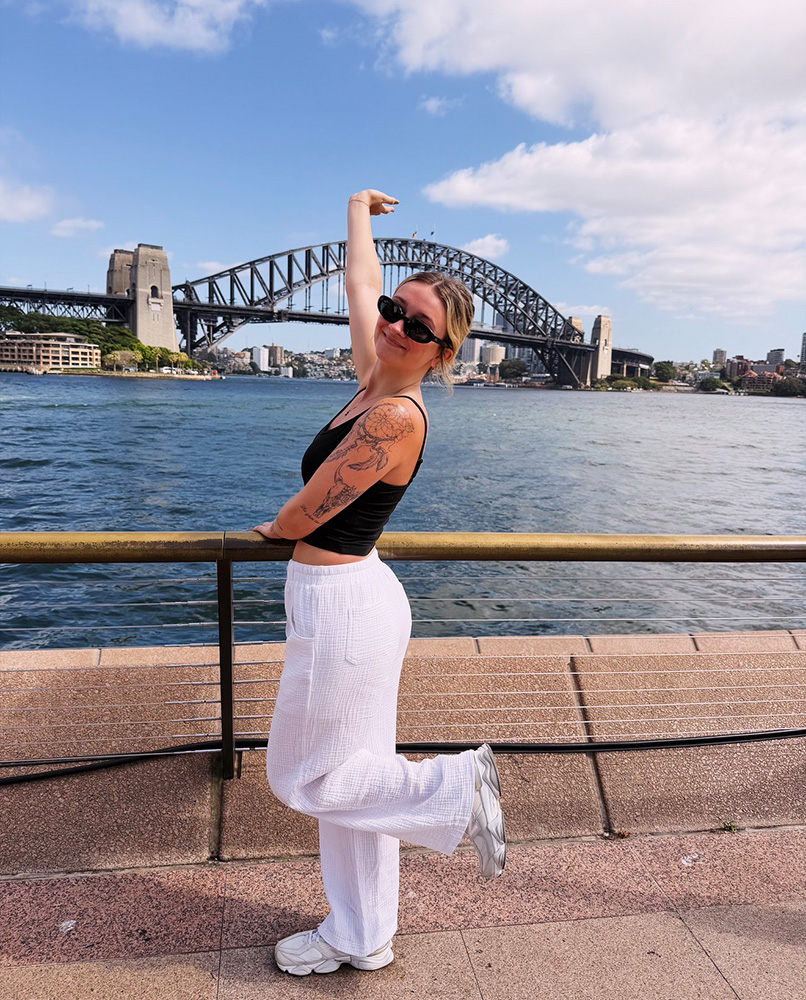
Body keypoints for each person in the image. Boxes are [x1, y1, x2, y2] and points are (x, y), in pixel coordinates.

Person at [252, 188, 506, 978]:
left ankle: (457, 790)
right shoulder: (373, 375)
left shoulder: (396, 416)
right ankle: (362, 936)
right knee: (352, 794)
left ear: (441, 352)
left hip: (343, 611)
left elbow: (302, 515)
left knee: (307, 774)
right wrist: (356, 209)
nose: (395, 324)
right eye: (397, 311)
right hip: (349, 599)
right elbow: (361, 281)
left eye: (418, 326)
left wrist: (266, 530)